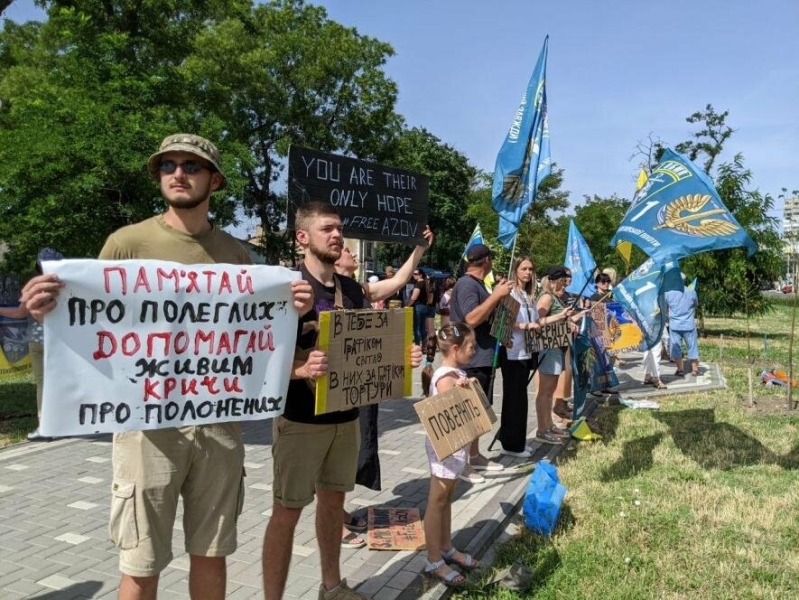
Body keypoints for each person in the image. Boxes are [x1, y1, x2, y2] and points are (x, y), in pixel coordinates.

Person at [19, 134, 314, 600]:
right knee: (141, 562)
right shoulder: (126, 243)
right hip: (146, 431)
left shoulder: (237, 255)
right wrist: (45, 309)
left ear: (214, 180)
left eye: (192, 166)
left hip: (218, 427)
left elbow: (254, 337)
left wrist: (290, 307)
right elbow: (92, 325)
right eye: (168, 165)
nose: (179, 173)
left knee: (212, 554)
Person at [262, 201, 422, 600]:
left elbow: (367, 346)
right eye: (327, 229)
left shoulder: (351, 289)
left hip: (346, 417)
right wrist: (298, 369)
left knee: (334, 505)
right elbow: (257, 354)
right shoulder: (285, 287)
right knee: (287, 513)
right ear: (303, 237)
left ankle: (332, 587)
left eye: (339, 228)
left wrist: (401, 357)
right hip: (299, 421)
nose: (337, 235)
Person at [333, 229, 433, 549]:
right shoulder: (325, 292)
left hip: (361, 387)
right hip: (336, 389)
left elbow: (399, 281)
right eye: (349, 252)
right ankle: (333, 520)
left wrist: (418, 250)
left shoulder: (359, 289)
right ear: (336, 260)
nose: (355, 255)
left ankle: (340, 510)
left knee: (355, 447)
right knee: (336, 454)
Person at [421, 323, 481, 588]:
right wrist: (465, 389)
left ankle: (446, 547)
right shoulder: (446, 376)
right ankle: (434, 558)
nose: (474, 351)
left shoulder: (454, 372)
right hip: (444, 448)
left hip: (455, 447)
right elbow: (450, 410)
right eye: (471, 347)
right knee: (437, 500)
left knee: (446, 498)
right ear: (455, 349)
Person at [449, 243, 509, 483]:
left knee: (479, 413)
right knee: (469, 414)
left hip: (483, 357)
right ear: (487, 261)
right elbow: (470, 319)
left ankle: (474, 456)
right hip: (470, 360)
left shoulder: (477, 285)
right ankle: (462, 464)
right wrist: (495, 296)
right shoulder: (466, 285)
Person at [0, 248, 65, 441]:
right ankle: (66, 422)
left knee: (42, 383)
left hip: (38, 340)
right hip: (63, 342)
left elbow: (21, 312)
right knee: (63, 382)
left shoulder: (35, 286)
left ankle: (45, 427)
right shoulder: (68, 286)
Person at [498, 257, 540, 458]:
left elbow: (536, 320)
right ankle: (511, 444)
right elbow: (504, 321)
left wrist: (559, 317)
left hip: (526, 351)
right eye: (524, 268)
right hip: (512, 351)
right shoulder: (510, 291)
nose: (528, 272)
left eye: (530, 269)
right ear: (515, 270)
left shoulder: (528, 294)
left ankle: (518, 440)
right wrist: (524, 326)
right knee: (513, 399)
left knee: (521, 399)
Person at [534, 266, 579, 444]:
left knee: (551, 390)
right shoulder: (546, 297)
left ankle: (548, 424)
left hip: (558, 346)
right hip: (549, 347)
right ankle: (542, 429)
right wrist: (560, 316)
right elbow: (538, 321)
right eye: (563, 279)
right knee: (545, 392)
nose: (565, 283)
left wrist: (568, 320)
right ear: (557, 280)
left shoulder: (554, 297)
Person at [665, 273, 700, 377]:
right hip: (689, 325)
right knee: (692, 346)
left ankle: (680, 370)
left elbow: (665, 307)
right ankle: (695, 369)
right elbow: (695, 304)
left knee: (676, 348)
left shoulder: (669, 293)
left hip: (675, 325)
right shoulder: (692, 292)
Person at [407, 269, 429, 344]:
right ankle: (424, 345)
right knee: (422, 327)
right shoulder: (425, 283)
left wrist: (407, 305)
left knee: (417, 328)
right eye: (413, 274)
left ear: (420, 275)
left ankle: (417, 345)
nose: (414, 275)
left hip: (418, 307)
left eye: (416, 274)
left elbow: (414, 297)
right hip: (424, 307)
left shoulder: (419, 284)